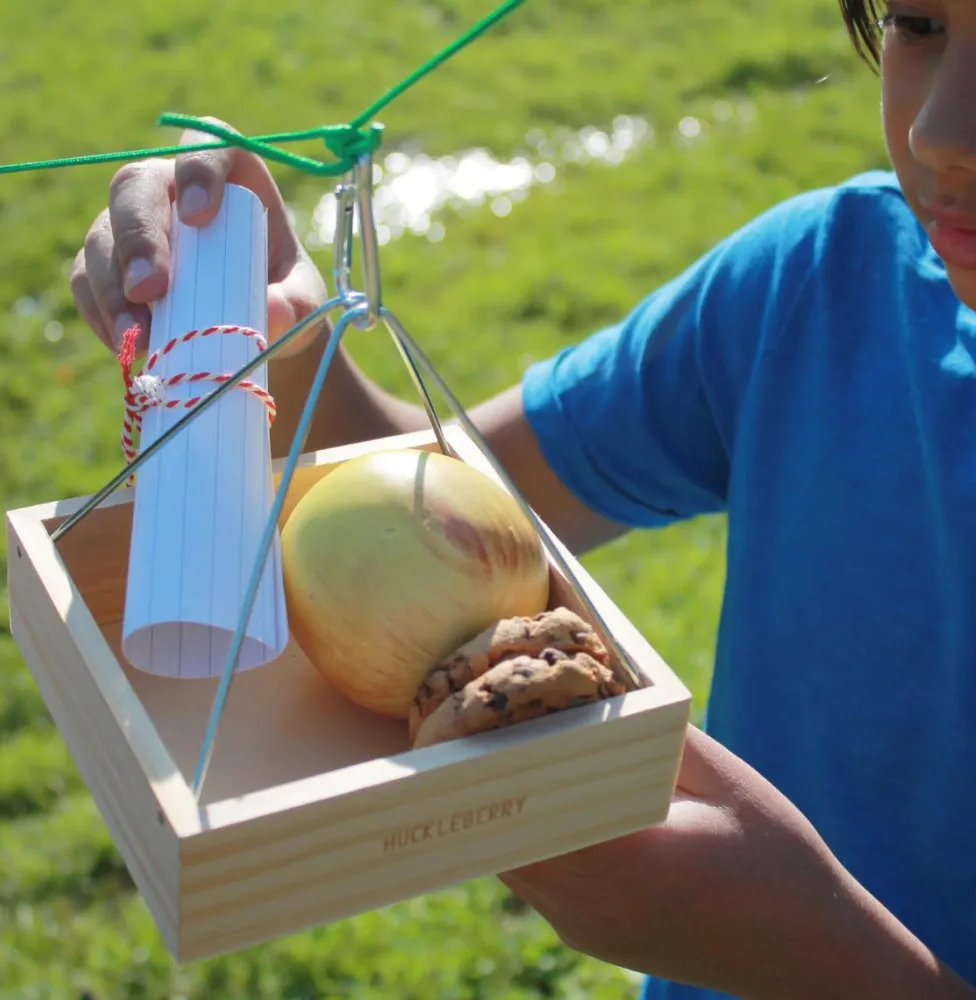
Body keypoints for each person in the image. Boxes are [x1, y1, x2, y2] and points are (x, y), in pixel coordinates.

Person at [69, 1, 976, 996]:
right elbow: (445, 517)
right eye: (919, 20)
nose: (938, 128)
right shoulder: (817, 285)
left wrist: (828, 964)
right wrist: (277, 340)